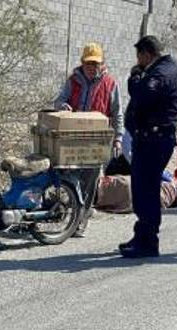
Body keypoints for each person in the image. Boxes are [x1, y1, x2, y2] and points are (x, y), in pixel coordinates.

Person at [119, 35, 177, 258]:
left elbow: (141, 94)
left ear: (147, 54)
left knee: (145, 190)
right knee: (143, 188)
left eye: (139, 57)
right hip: (153, 138)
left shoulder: (161, 73)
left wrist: (135, 76)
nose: (138, 62)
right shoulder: (170, 67)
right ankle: (143, 235)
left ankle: (147, 242)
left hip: (153, 140)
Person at [54, 42, 125, 237]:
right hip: (73, 139)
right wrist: (63, 106)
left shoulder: (110, 84)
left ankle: (81, 221)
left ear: (102, 64)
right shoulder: (73, 81)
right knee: (70, 178)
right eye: (88, 64)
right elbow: (59, 100)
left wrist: (118, 138)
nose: (92, 68)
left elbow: (117, 113)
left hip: (96, 141)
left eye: (95, 64)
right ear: (82, 63)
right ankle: (69, 216)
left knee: (90, 180)